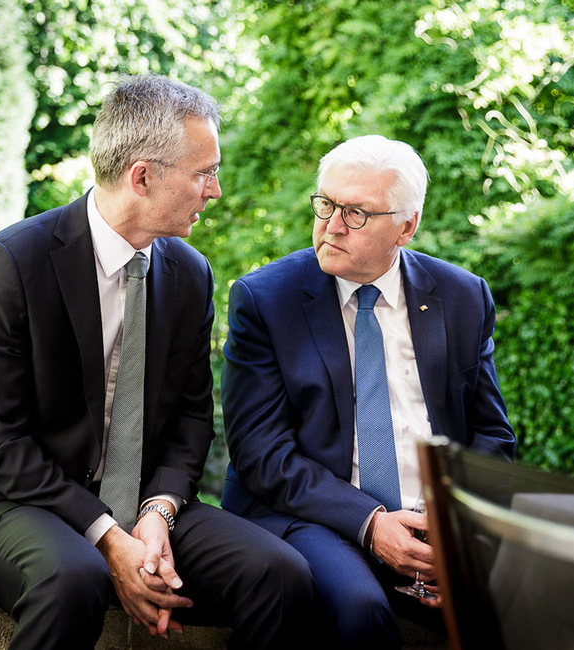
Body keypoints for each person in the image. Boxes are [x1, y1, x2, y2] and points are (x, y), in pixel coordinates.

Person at [0, 74, 315, 650]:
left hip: (143, 504)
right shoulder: (11, 262)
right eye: (204, 173)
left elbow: (193, 420)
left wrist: (159, 512)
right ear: (142, 177)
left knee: (281, 574)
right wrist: (106, 536)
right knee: (75, 577)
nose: (216, 191)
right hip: (12, 504)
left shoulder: (190, 274)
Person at [220, 134, 516, 648]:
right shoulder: (266, 299)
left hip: (432, 521)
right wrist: (371, 522)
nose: (332, 226)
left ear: (407, 226)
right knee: (360, 613)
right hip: (313, 515)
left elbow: (491, 436)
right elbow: (260, 455)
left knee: (535, 603)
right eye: (326, 204)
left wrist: (454, 530)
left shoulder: (462, 296)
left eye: (356, 213)